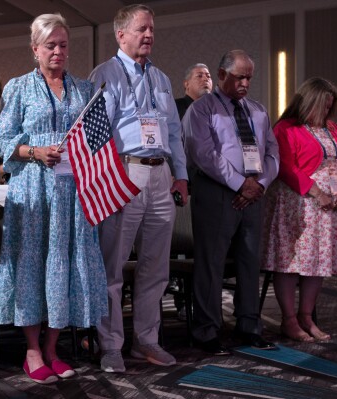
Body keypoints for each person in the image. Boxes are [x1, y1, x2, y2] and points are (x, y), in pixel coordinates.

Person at [0, 13, 108, 384]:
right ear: (35, 50)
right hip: (33, 190)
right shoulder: (18, 87)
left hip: (72, 193)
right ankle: (31, 350)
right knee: (33, 264)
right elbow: (3, 141)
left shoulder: (83, 89)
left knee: (64, 262)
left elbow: (97, 141)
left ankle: (53, 348)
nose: (58, 51)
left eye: (63, 45)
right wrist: (35, 151)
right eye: (50, 46)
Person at [89, 4, 189, 373]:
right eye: (142, 29)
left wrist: (181, 175)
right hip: (124, 173)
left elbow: (174, 133)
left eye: (152, 30)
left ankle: (146, 341)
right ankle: (111, 345)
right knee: (112, 267)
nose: (149, 35)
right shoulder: (105, 75)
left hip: (161, 175)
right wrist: (110, 179)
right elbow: (96, 137)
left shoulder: (161, 78)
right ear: (121, 35)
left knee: (155, 268)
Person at [183, 49, 280, 356]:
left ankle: (249, 326)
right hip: (217, 193)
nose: (245, 84)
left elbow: (273, 154)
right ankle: (207, 331)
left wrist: (260, 184)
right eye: (239, 77)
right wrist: (241, 183)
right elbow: (204, 154)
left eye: (249, 77)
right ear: (222, 74)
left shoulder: (258, 110)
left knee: (250, 262)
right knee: (211, 264)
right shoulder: (201, 110)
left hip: (254, 195)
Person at [261, 77, 337, 342]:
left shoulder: (333, 129)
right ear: (308, 102)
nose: (325, 113)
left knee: (318, 264)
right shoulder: (286, 128)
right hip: (297, 203)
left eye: (329, 108)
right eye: (322, 107)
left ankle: (306, 317)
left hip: (328, 208)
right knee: (290, 263)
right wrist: (316, 192)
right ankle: (289, 320)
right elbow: (285, 167)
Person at [172, 63, 213, 321]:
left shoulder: (217, 110)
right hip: (182, 188)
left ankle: (204, 305)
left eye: (208, 76)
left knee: (205, 249)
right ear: (186, 84)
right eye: (199, 75)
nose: (205, 79)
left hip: (210, 189)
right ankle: (181, 303)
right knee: (181, 248)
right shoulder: (177, 108)